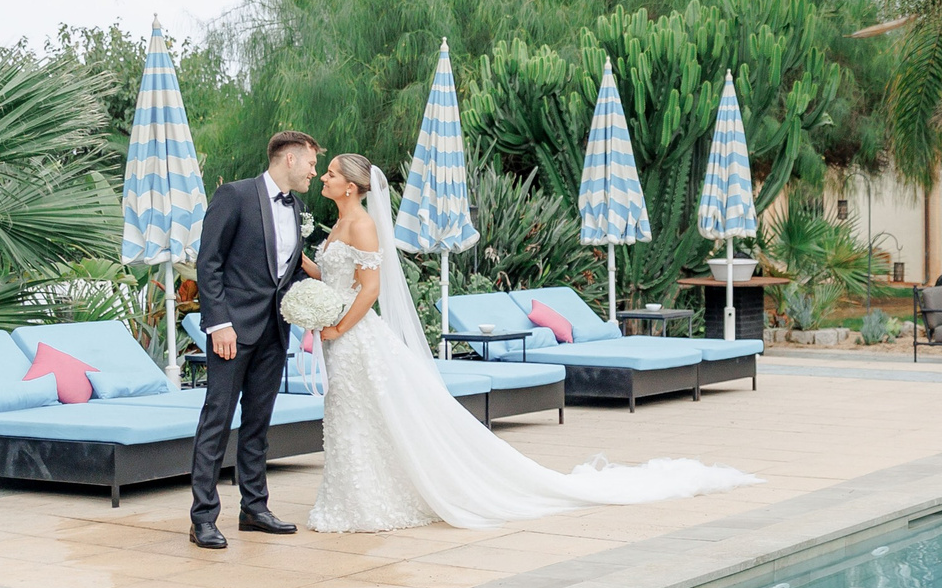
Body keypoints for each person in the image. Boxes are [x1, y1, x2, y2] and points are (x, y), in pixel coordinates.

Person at [307, 152, 759, 533]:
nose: (324, 178)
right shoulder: (340, 223)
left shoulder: (362, 224)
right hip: (339, 334)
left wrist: (338, 328)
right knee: (353, 415)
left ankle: (368, 502)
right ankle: (354, 497)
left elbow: (370, 289)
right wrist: (301, 273)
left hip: (354, 336)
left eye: (330, 173)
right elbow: (333, 276)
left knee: (360, 413)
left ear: (352, 186)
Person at [189, 131, 321, 549]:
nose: (314, 173)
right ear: (289, 159)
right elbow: (208, 263)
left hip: (274, 331)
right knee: (216, 421)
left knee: (258, 424)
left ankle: (254, 508)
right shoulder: (235, 195)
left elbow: (286, 272)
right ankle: (202, 518)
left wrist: (315, 300)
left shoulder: (298, 208)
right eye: (311, 164)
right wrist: (218, 324)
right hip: (232, 331)